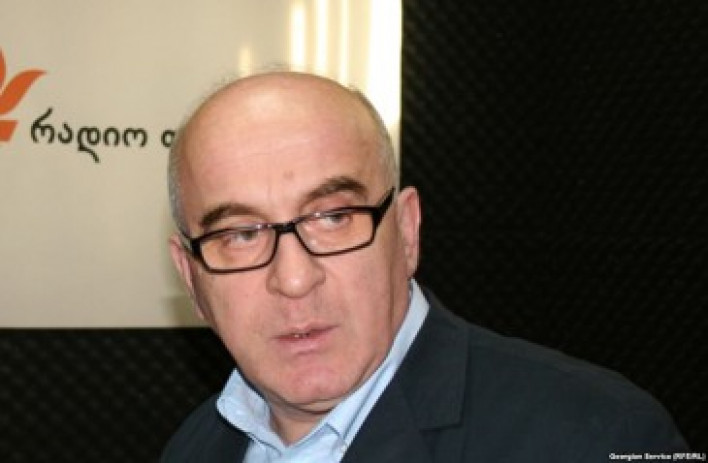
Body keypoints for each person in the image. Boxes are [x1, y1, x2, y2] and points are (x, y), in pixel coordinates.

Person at [161, 71, 688, 462]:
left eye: (334, 218)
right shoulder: (194, 447)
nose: (295, 279)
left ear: (407, 231)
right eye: (241, 235)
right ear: (191, 278)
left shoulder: (602, 435)